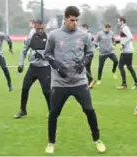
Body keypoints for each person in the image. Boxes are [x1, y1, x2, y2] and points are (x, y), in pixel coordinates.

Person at [44, 6, 106, 154]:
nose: (75, 23)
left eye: (77, 20)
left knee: (89, 110)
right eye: (72, 20)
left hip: (79, 82)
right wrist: (58, 67)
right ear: (65, 19)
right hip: (60, 83)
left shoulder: (84, 35)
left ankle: (97, 140)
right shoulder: (54, 35)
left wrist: (83, 63)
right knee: (53, 113)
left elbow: (90, 52)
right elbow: (47, 54)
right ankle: (51, 142)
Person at [13, 20, 51, 119]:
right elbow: (24, 50)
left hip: (44, 68)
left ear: (44, 27)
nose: (40, 30)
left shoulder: (49, 38)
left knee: (47, 91)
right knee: (25, 88)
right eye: (38, 28)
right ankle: (23, 110)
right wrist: (21, 63)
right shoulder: (31, 38)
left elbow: (53, 54)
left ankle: (52, 111)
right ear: (34, 27)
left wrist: (42, 56)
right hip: (33, 68)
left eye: (42, 28)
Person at [116, 17, 137, 90]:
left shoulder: (125, 28)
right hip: (127, 51)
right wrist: (118, 41)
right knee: (129, 67)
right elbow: (125, 38)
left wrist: (123, 44)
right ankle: (136, 83)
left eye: (118, 21)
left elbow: (131, 37)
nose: (117, 22)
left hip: (127, 51)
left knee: (121, 66)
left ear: (122, 21)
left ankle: (124, 84)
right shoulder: (123, 28)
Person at [81, 24, 95, 88]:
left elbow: (86, 44)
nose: (81, 29)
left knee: (82, 66)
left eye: (82, 28)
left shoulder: (87, 34)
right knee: (87, 68)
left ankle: (91, 79)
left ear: (85, 28)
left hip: (88, 54)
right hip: (89, 53)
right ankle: (90, 83)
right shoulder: (89, 34)